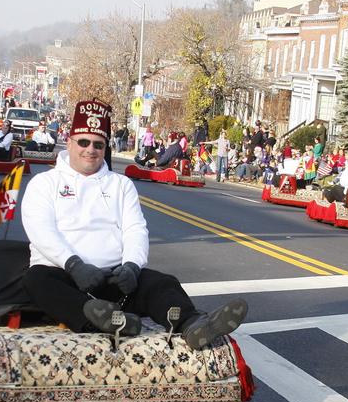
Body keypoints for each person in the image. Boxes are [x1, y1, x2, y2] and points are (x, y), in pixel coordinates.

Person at [20, 99, 248, 349]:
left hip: (114, 278)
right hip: (64, 275)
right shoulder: (44, 183)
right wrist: (74, 266)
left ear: (105, 146)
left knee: (161, 283)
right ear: (70, 142)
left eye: (98, 144)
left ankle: (193, 325)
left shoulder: (121, 184)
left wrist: (131, 267)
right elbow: (40, 230)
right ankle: (97, 319)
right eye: (83, 142)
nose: (90, 150)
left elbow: (135, 229)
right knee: (37, 280)